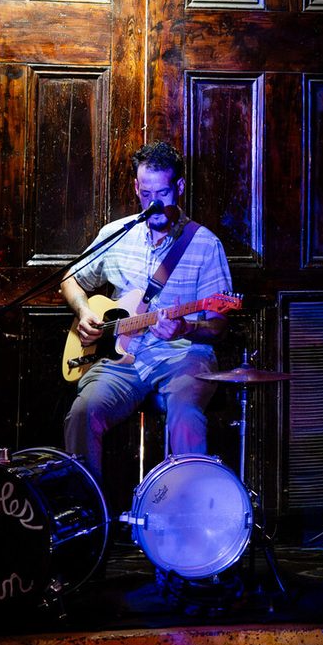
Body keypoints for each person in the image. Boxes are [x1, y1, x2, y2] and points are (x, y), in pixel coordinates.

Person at [61, 141, 232, 482]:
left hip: (183, 356)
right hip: (120, 359)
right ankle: (91, 519)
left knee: (186, 416)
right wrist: (83, 312)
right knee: (82, 413)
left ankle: (188, 513)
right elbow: (70, 279)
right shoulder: (116, 236)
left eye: (164, 193)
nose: (154, 203)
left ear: (180, 188)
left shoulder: (205, 245)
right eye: (146, 193)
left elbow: (218, 324)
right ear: (136, 187)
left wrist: (185, 328)